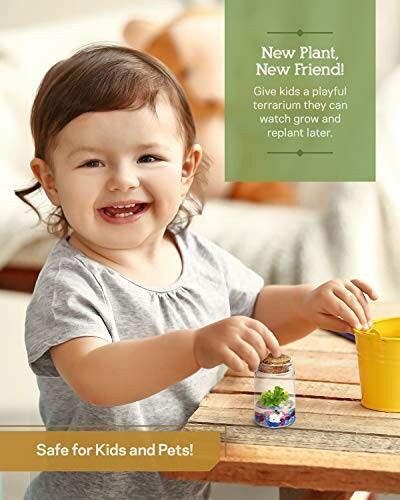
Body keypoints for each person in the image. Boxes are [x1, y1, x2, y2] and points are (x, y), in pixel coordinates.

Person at [16, 43, 378, 500]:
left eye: (148, 158)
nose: (123, 179)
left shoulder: (193, 252)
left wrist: (308, 302)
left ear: (186, 168)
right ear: (50, 180)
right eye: (92, 162)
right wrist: (196, 345)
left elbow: (256, 309)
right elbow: (96, 377)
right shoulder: (69, 285)